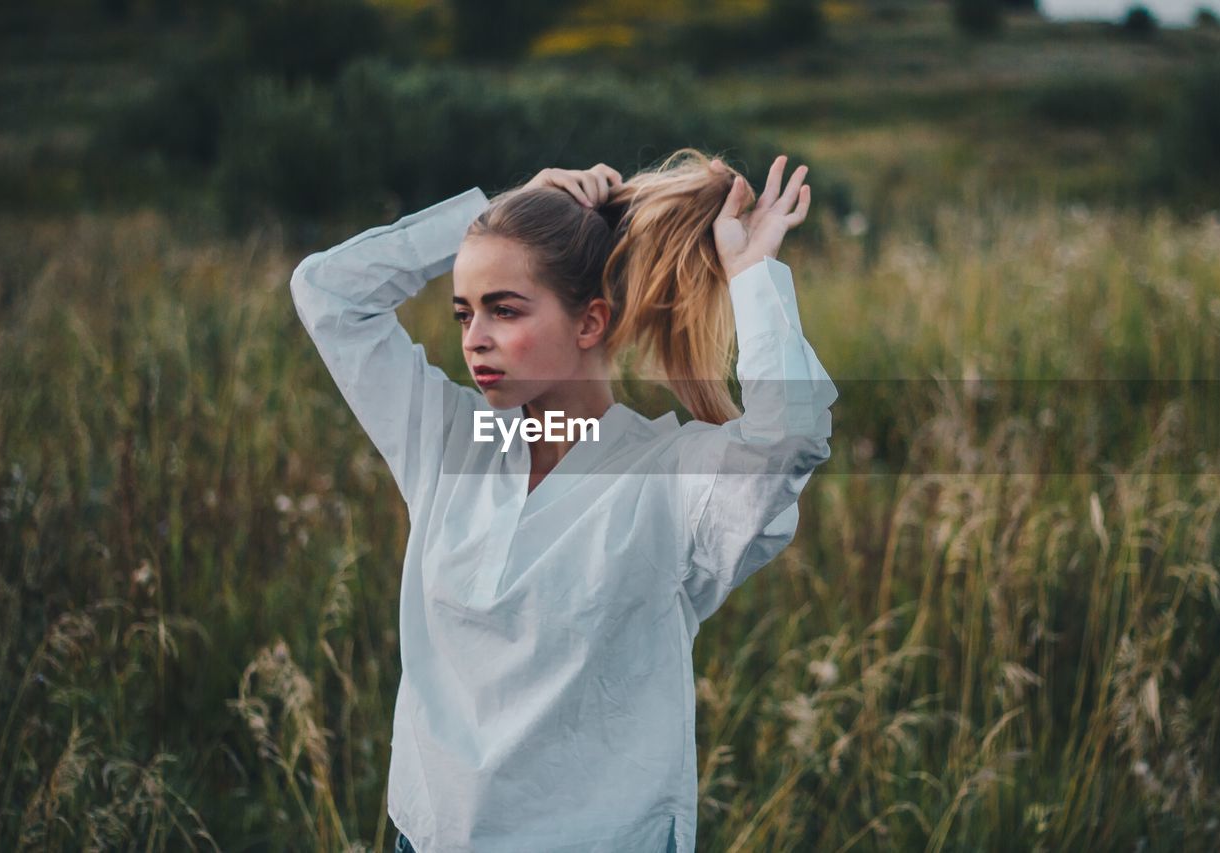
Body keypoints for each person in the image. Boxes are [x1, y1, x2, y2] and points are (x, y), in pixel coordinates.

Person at [290, 148, 838, 852]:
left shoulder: (666, 480)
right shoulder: (450, 440)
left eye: (504, 309)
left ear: (589, 324)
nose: (475, 340)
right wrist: (489, 213)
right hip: (427, 837)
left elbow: (788, 437)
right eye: (464, 314)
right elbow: (326, 292)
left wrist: (752, 274)